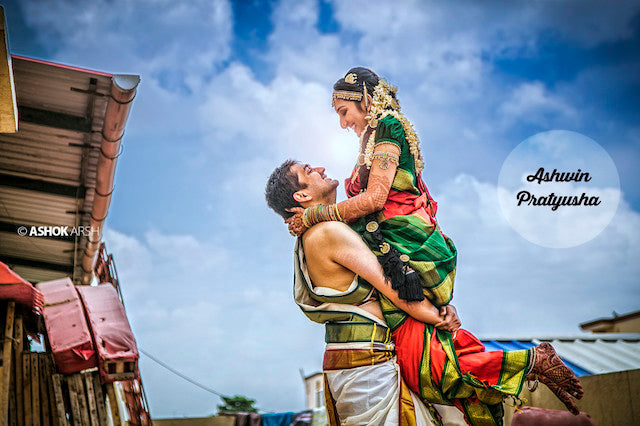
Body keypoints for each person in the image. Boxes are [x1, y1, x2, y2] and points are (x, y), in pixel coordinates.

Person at [267, 160, 584, 425]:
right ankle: (530, 365)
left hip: (359, 360)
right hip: (367, 363)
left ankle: (529, 369)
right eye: (309, 170)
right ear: (302, 194)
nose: (320, 167)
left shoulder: (318, 232)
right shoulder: (327, 232)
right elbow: (393, 286)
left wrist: (439, 305)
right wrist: (439, 315)